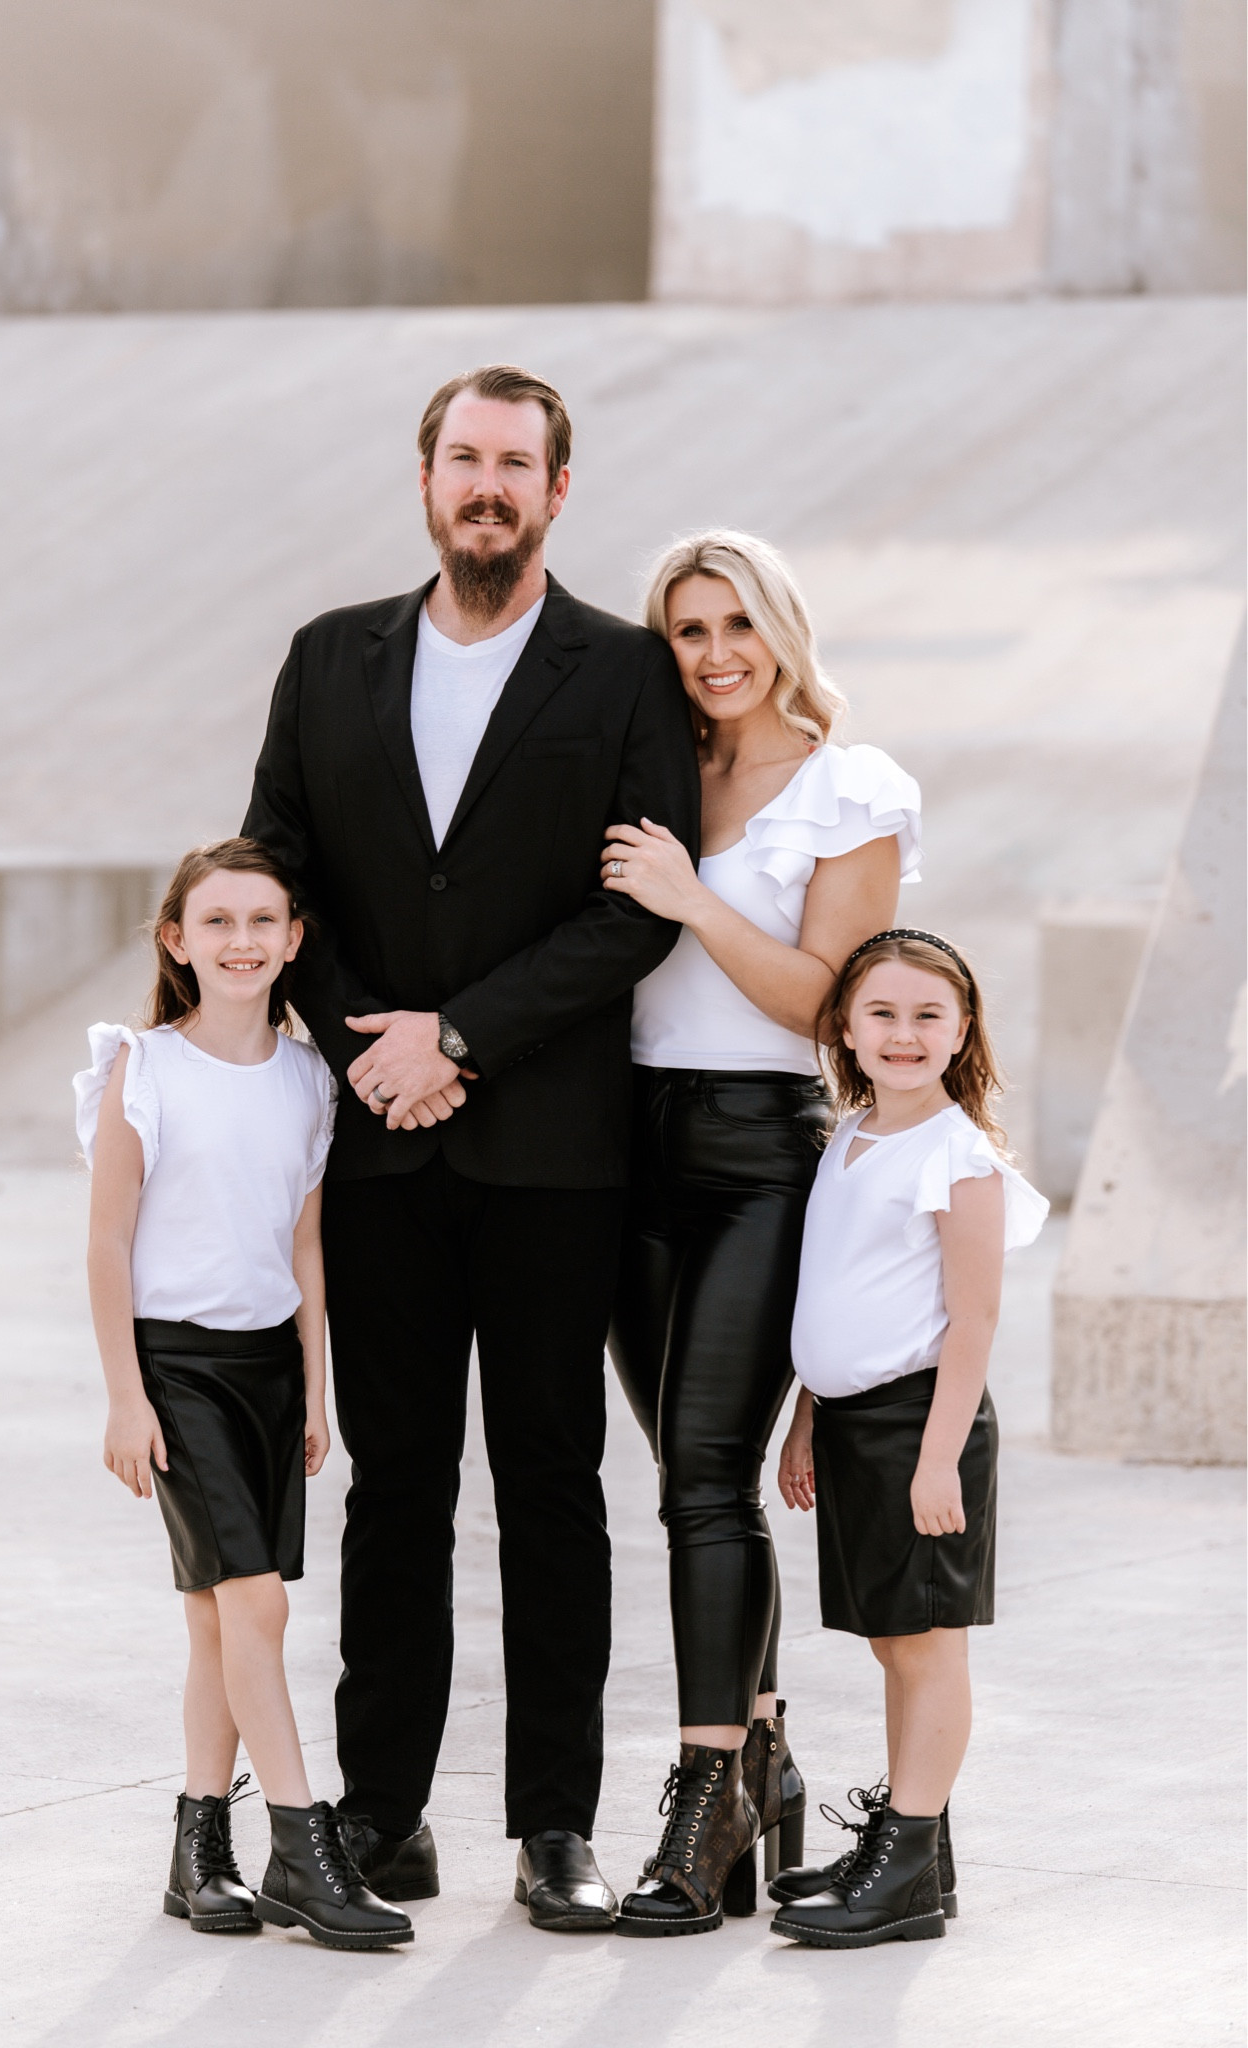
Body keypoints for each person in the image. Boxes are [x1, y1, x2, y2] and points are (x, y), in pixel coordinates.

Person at [242, 365, 701, 1930]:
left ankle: (553, 1824)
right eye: (463, 457)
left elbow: (637, 908)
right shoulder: (328, 658)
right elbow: (276, 879)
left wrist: (461, 1037)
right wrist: (375, 1048)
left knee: (553, 1486)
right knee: (395, 1490)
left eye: (515, 462)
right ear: (425, 478)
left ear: (557, 491)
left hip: (554, 1154)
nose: (486, 485)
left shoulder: (624, 671)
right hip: (381, 1148)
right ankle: (381, 1815)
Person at [600, 531, 922, 1936]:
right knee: (700, 1474)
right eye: (688, 630)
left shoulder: (853, 789)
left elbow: (823, 1002)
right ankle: (764, 1759)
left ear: (782, 631)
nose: (716, 652)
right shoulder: (653, 771)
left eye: (738, 623)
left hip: (757, 1155)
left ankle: (700, 1797)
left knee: (701, 1481)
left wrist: (689, 899)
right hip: (625, 1148)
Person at [76, 837, 413, 1952]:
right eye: (216, 921)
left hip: (269, 1367)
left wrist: (313, 1387)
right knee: (257, 1605)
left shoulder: (309, 1078)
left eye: (263, 920)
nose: (241, 940)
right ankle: (302, 1850)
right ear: (176, 940)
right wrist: (126, 1397)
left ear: (295, 939)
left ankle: (198, 1850)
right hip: (176, 1371)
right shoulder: (142, 1066)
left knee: (217, 1618)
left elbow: (304, 1241)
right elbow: (108, 1241)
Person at [768, 929, 1047, 1948]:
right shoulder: (848, 1136)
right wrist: (807, 1413)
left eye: (929, 1015)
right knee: (893, 1641)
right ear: (845, 1028)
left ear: (963, 1031)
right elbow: (837, 1288)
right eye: (881, 1013)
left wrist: (937, 1460)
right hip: (853, 1425)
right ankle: (914, 1852)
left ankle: (904, 1873)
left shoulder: (957, 1157)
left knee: (927, 1649)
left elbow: (972, 1320)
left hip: (922, 1426)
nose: (904, 1033)